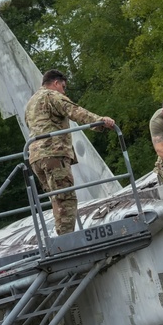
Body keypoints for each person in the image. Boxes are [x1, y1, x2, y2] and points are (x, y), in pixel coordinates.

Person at [24, 69, 115, 235]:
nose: (64, 91)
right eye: (63, 87)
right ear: (56, 83)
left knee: (57, 199)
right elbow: (74, 111)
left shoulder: (30, 103)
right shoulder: (52, 95)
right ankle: (67, 240)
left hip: (35, 158)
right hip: (54, 154)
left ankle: (61, 237)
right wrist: (100, 122)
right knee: (66, 199)